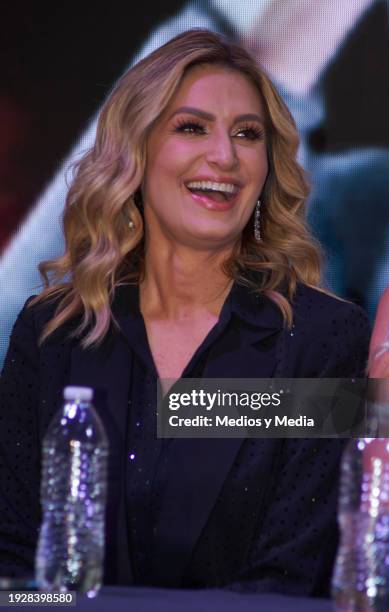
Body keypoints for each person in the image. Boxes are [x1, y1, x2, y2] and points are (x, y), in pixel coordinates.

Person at [0, 29, 370, 596]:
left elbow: (289, 579)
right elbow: (16, 571)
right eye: (191, 127)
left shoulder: (320, 341)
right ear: (136, 153)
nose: (224, 156)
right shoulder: (54, 333)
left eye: (247, 134)